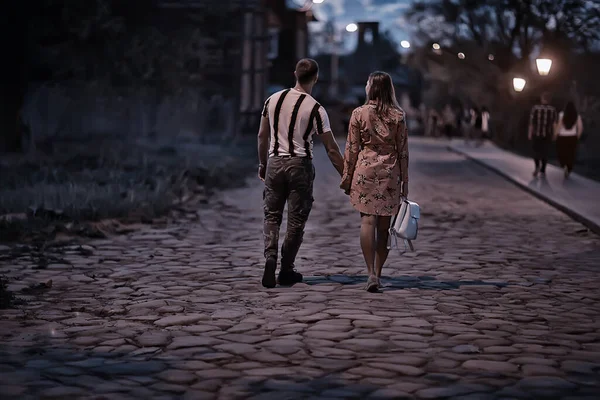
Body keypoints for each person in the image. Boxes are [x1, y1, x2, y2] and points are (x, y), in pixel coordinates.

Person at [257, 58, 345, 288]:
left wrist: (262, 164)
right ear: (315, 77)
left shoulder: (272, 100)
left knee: (272, 215)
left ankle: (270, 256)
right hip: (300, 165)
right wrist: (347, 175)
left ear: (295, 74)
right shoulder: (316, 108)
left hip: (275, 162)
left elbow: (262, 136)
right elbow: (331, 148)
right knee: (296, 220)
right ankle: (286, 268)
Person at [340, 71, 409, 292]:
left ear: (371, 87)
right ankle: (378, 274)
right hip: (390, 173)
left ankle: (369, 272)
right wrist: (405, 182)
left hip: (365, 172)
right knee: (383, 227)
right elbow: (403, 151)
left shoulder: (359, 113)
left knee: (367, 222)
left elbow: (351, 148)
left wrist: (347, 177)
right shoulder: (398, 116)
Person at [528, 93, 557, 177]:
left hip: (537, 133)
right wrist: (554, 134)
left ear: (542, 99)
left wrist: (530, 133)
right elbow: (554, 124)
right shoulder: (552, 110)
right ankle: (543, 170)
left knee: (536, 151)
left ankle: (537, 166)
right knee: (545, 152)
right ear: (549, 100)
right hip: (547, 134)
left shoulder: (535, 108)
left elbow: (532, 122)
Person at [554, 101, 583, 178]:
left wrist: (555, 135)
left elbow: (559, 126)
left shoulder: (561, 115)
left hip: (562, 137)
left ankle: (564, 165)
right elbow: (580, 127)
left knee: (561, 153)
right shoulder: (577, 116)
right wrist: (577, 137)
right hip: (572, 137)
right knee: (571, 154)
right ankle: (569, 168)